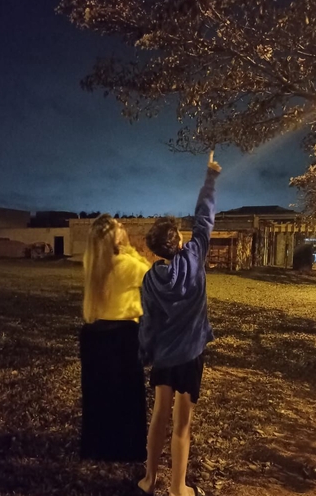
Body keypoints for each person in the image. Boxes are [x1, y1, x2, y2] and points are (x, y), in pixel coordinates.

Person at [137, 153, 221, 496]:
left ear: (156, 250)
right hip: (190, 356)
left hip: (164, 358)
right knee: (182, 425)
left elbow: (147, 324)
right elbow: (205, 219)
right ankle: (178, 489)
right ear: (179, 241)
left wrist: (145, 354)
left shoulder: (149, 279)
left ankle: (148, 479)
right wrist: (210, 178)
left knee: (159, 416)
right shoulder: (194, 256)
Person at [80, 214, 151, 462]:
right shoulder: (127, 264)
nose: (124, 228)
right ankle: (127, 448)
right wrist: (131, 250)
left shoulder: (92, 262)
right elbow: (149, 273)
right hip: (123, 335)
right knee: (128, 395)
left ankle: (97, 446)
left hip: (93, 334)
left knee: (98, 393)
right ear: (116, 235)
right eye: (121, 227)